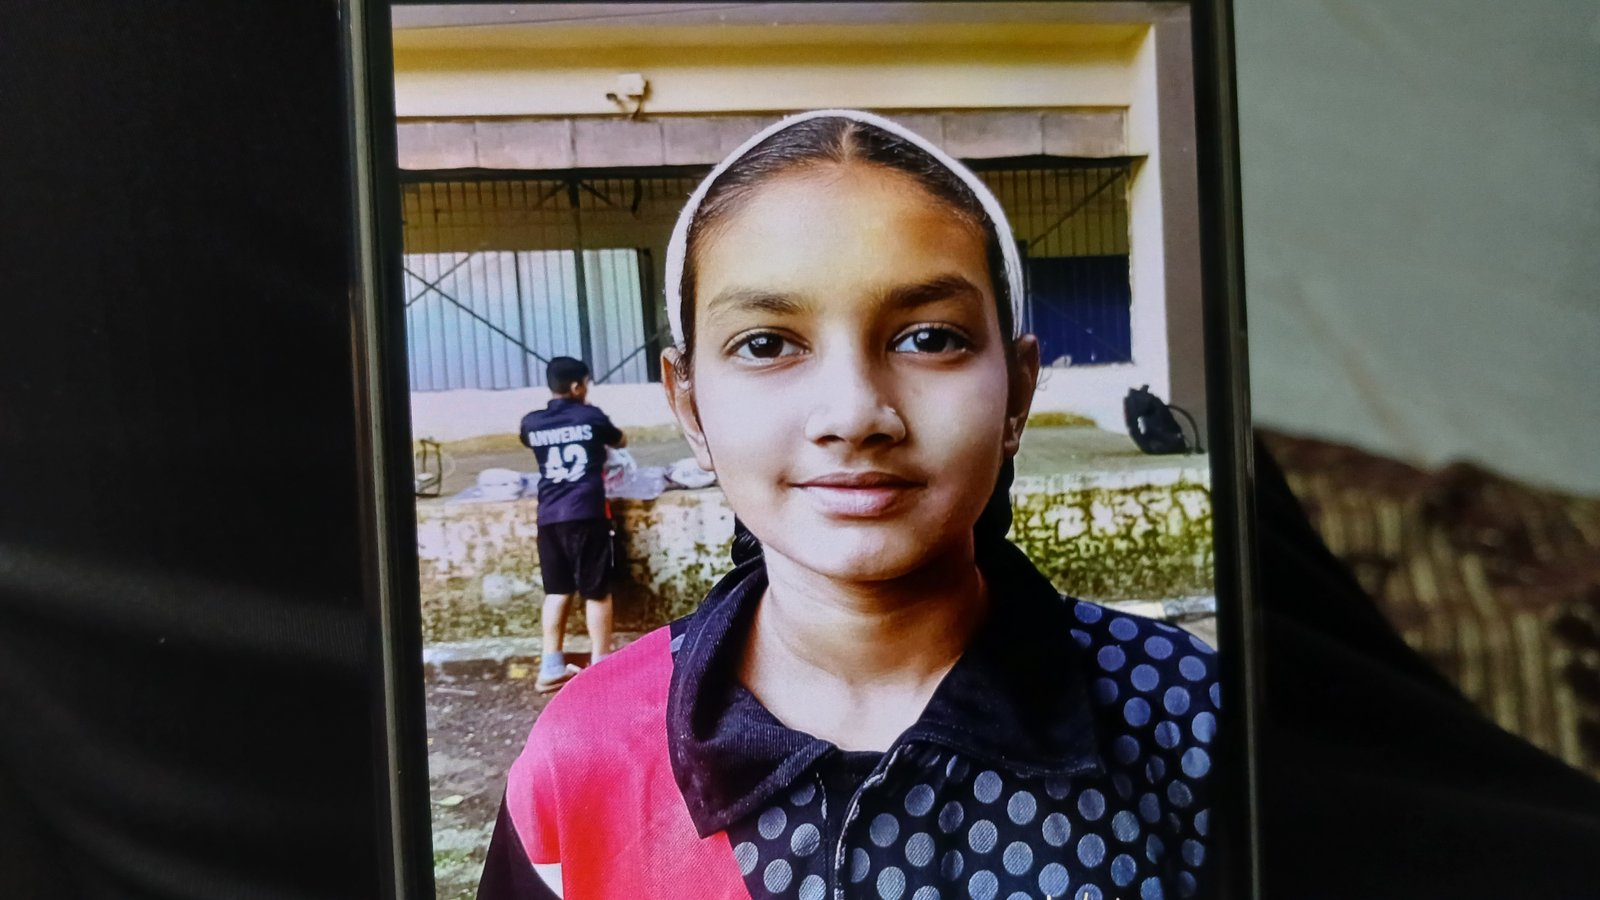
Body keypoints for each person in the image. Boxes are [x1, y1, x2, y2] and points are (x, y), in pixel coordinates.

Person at [478, 110, 1220, 900]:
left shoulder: (1192, 720)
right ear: (689, 406)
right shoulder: (584, 755)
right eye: (767, 343)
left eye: (929, 338)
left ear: (1017, 393)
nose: (854, 413)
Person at [519, 357, 627, 694]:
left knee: (556, 591)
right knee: (597, 592)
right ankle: (601, 665)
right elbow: (620, 441)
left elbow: (529, 441)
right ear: (578, 386)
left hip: (550, 517)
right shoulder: (590, 417)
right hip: (587, 514)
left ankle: (550, 666)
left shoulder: (532, 422)